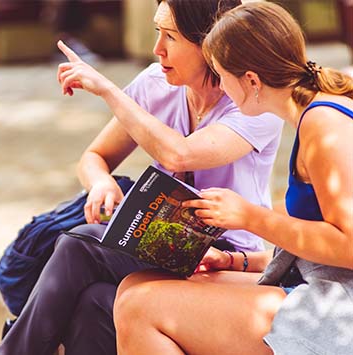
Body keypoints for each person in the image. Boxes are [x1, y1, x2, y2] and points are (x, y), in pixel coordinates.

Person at [0, 0, 283, 354]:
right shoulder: (155, 83)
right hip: (155, 238)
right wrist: (101, 183)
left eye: (170, 37)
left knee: (80, 244)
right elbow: (94, 157)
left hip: (224, 254)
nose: (157, 48)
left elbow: (179, 153)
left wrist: (108, 90)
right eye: (157, 32)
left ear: (211, 42)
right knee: (93, 300)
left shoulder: (254, 103)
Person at [114, 2, 353, 354]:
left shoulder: (324, 125)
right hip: (320, 285)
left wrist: (250, 217)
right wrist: (235, 261)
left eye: (222, 74)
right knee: (136, 285)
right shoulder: (314, 115)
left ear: (252, 81)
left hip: (336, 310)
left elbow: (348, 246)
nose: (221, 87)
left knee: (140, 308)